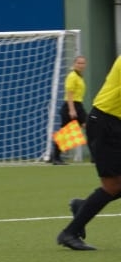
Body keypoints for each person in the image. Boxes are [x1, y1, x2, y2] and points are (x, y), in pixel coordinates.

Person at [56, 51, 121, 250]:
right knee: (112, 185)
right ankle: (69, 233)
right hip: (105, 123)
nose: (82, 65)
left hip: (112, 123)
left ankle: (82, 206)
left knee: (116, 185)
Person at [50, 55, 87, 165]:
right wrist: (71, 110)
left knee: (90, 127)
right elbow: (69, 94)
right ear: (74, 64)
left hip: (78, 105)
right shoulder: (72, 76)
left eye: (83, 63)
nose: (81, 65)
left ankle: (55, 156)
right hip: (71, 105)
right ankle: (55, 157)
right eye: (78, 63)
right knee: (66, 133)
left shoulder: (79, 77)